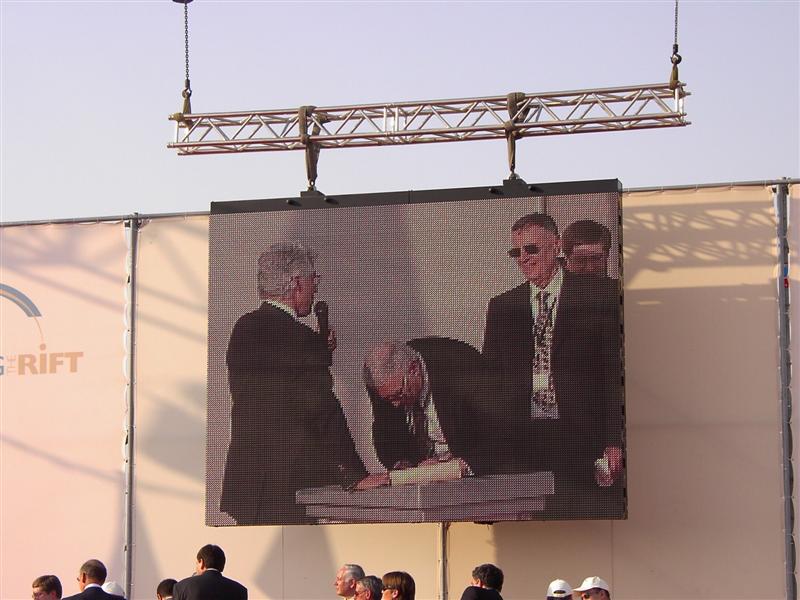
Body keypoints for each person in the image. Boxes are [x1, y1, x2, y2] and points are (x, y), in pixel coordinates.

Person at [220, 241, 382, 525]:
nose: (315, 287)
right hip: (288, 485)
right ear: (296, 283)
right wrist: (355, 475)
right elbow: (323, 411)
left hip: (246, 483)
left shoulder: (243, 328)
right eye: (313, 278)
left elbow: (275, 390)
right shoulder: (302, 341)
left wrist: (316, 350)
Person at [482, 213, 624, 514]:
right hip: (525, 440)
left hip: (584, 438)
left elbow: (614, 374)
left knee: (585, 518)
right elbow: (491, 382)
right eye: (517, 252)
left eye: (531, 249)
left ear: (556, 245)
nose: (523, 258)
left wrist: (614, 440)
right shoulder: (502, 307)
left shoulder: (600, 295)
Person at [365, 338, 505, 477]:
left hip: (477, 471)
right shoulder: (383, 383)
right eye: (388, 399)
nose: (395, 404)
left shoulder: (463, 366)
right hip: (424, 475)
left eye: (398, 394)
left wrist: (455, 467)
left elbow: (500, 436)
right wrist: (405, 467)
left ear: (414, 369)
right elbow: (386, 438)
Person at [172, 544, 247, 600]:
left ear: (201, 562)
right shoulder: (239, 591)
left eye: (197, 563)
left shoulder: (182, 587)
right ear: (222, 564)